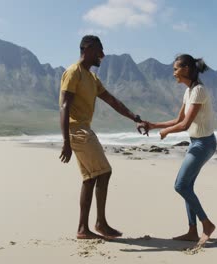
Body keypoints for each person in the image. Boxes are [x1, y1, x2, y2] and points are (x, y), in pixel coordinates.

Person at [59, 35, 145, 239]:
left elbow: (112, 101)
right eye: (99, 50)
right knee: (104, 172)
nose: (103, 55)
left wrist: (135, 118)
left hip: (82, 129)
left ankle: (83, 229)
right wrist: (65, 142)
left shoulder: (91, 78)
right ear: (88, 49)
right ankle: (101, 223)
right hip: (76, 129)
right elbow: (64, 106)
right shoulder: (73, 73)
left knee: (90, 178)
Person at [140, 54, 217, 246]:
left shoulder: (199, 90)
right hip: (196, 142)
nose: (173, 72)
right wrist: (154, 125)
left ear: (187, 69)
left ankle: (206, 225)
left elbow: (185, 124)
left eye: (176, 69)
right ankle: (192, 231)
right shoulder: (188, 91)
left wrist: (166, 132)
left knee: (180, 185)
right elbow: (178, 120)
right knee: (187, 187)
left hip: (204, 143)